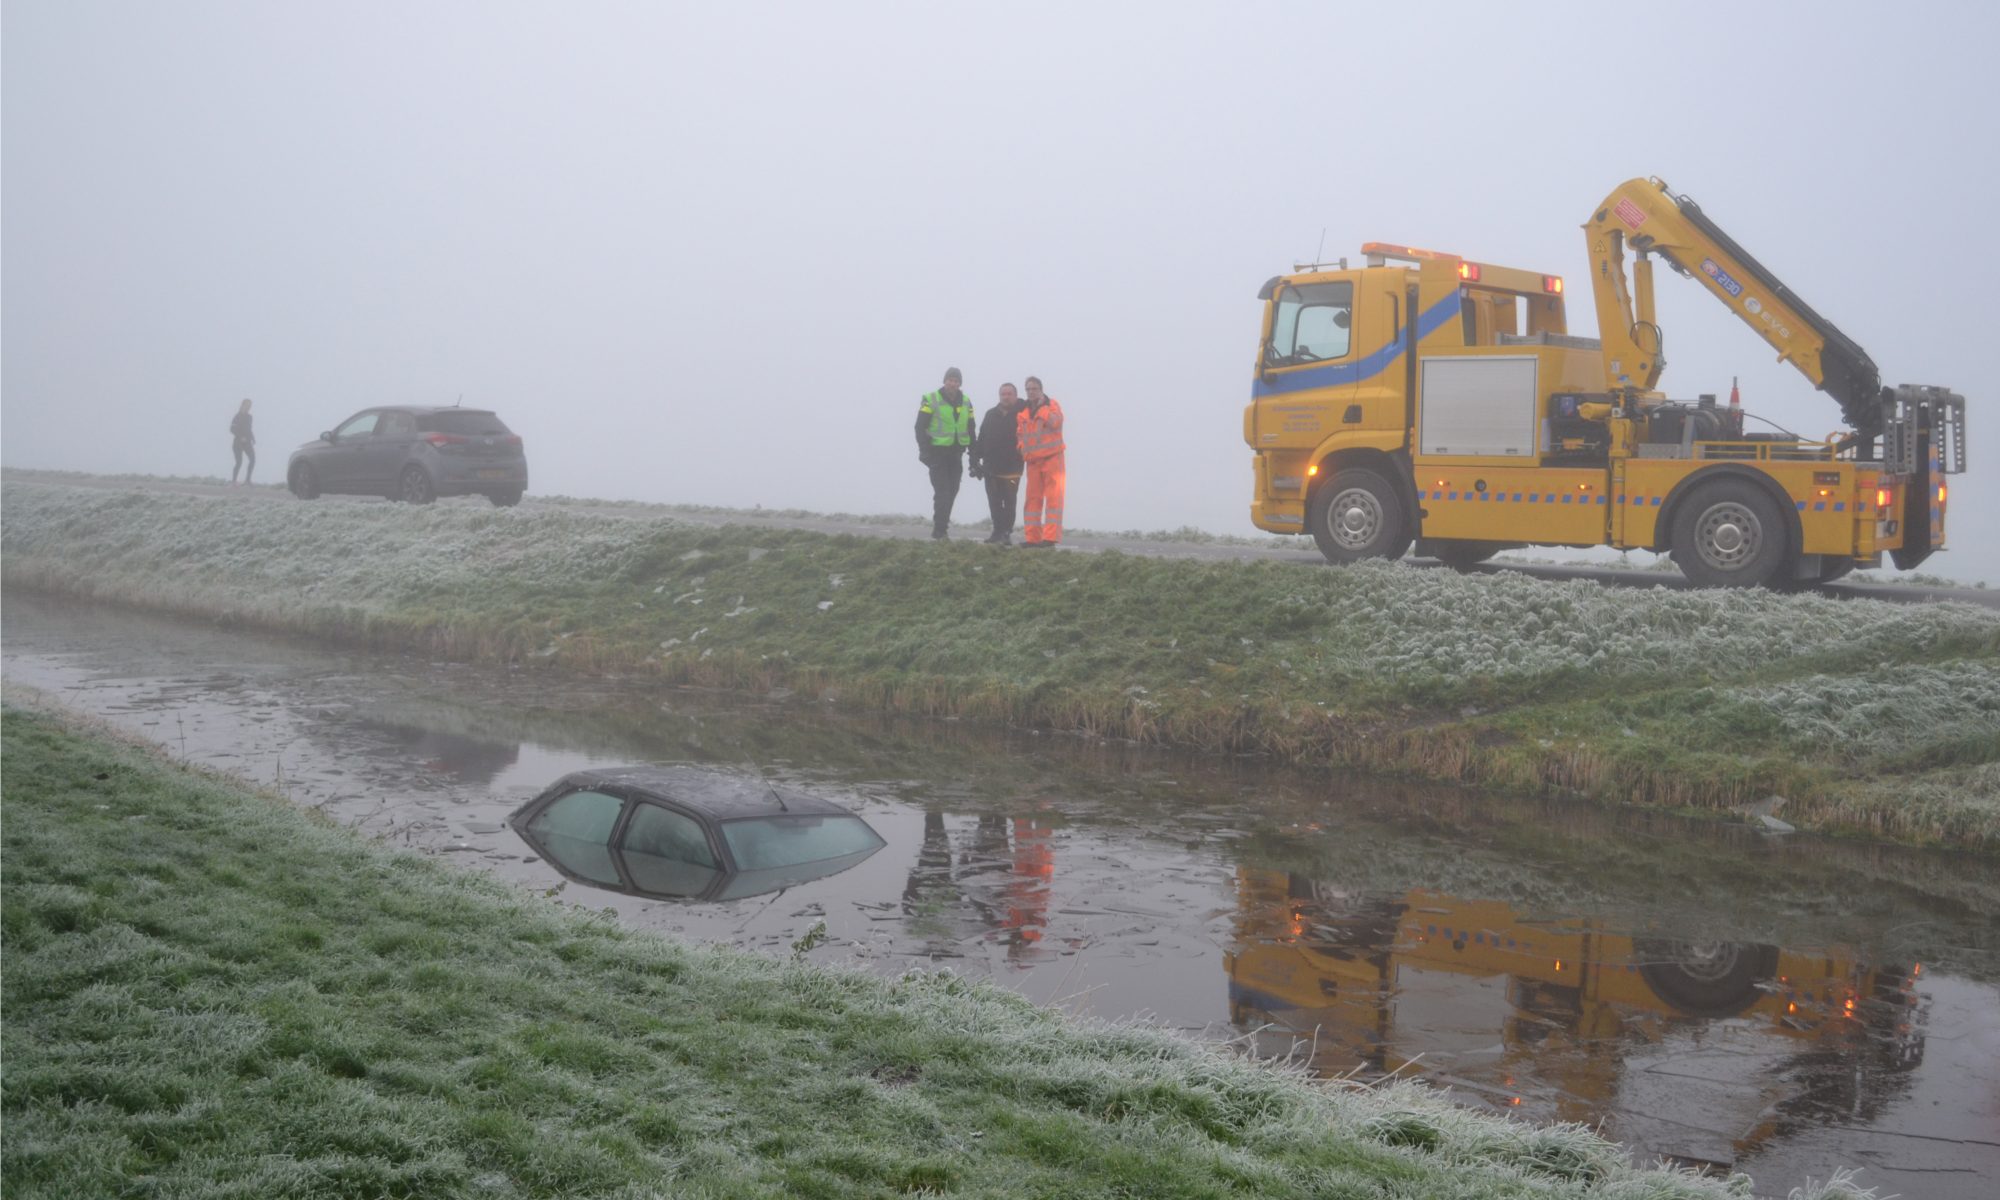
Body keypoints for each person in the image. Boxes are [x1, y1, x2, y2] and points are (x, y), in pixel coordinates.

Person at [914, 367, 976, 540]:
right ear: (945, 381)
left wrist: (974, 454)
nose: (953, 383)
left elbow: (971, 429)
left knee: (953, 491)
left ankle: (942, 526)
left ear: (960, 383)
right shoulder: (931, 399)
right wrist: (925, 452)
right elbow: (920, 427)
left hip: (956, 454)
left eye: (956, 381)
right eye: (950, 380)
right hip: (937, 454)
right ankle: (940, 530)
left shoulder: (966, 402)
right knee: (943, 492)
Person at [969, 382, 1024, 544]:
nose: (1006, 397)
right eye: (1003, 394)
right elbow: (982, 437)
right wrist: (974, 459)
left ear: (1015, 395)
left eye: (1009, 394)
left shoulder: (1023, 414)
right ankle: (997, 531)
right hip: (991, 468)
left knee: (1009, 501)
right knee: (994, 501)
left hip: (1013, 468)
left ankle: (1006, 532)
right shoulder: (990, 414)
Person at [1015, 376, 1065, 548]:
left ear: (1041, 389)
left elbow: (1056, 422)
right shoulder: (1023, 412)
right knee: (1032, 500)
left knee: (1053, 499)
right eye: (1028, 389)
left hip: (1052, 458)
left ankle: (1050, 537)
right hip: (1033, 461)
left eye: (1034, 389)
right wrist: (1021, 446)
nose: (1031, 392)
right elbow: (1021, 434)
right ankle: (1032, 538)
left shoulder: (1051, 405)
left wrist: (1042, 409)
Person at [229, 398, 256, 484]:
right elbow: (232, 429)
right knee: (239, 462)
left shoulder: (249, 417)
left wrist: (253, 438)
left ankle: (247, 480)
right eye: (246, 405)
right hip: (238, 442)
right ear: (242, 405)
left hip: (247, 442)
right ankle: (234, 481)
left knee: (253, 459)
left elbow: (249, 429)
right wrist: (240, 437)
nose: (248, 407)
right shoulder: (237, 416)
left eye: (249, 406)